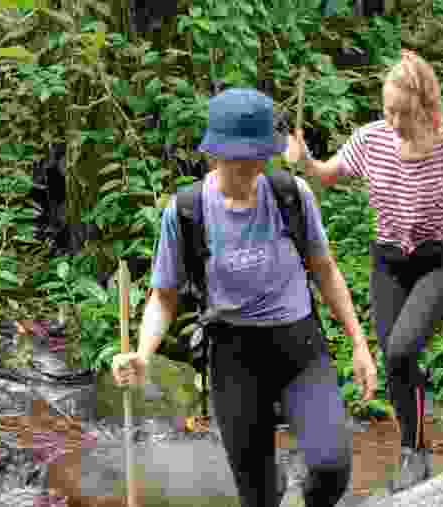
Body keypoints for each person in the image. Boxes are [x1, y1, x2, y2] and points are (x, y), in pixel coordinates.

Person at [111, 88, 377, 507]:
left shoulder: (292, 195)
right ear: (214, 155)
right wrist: (143, 355)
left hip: (299, 348)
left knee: (331, 466)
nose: (251, 171)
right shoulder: (187, 212)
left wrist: (359, 344)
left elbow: (325, 271)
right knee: (258, 496)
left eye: (259, 159)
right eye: (240, 161)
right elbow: (163, 297)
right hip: (233, 356)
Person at [287, 49, 443, 492]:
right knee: (395, 358)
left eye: (402, 112)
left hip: (436, 264)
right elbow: (328, 174)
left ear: (424, 107)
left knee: (404, 349)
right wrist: (305, 160)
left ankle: (413, 449)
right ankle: (414, 446)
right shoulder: (372, 140)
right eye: (387, 110)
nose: (393, 121)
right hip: (388, 261)